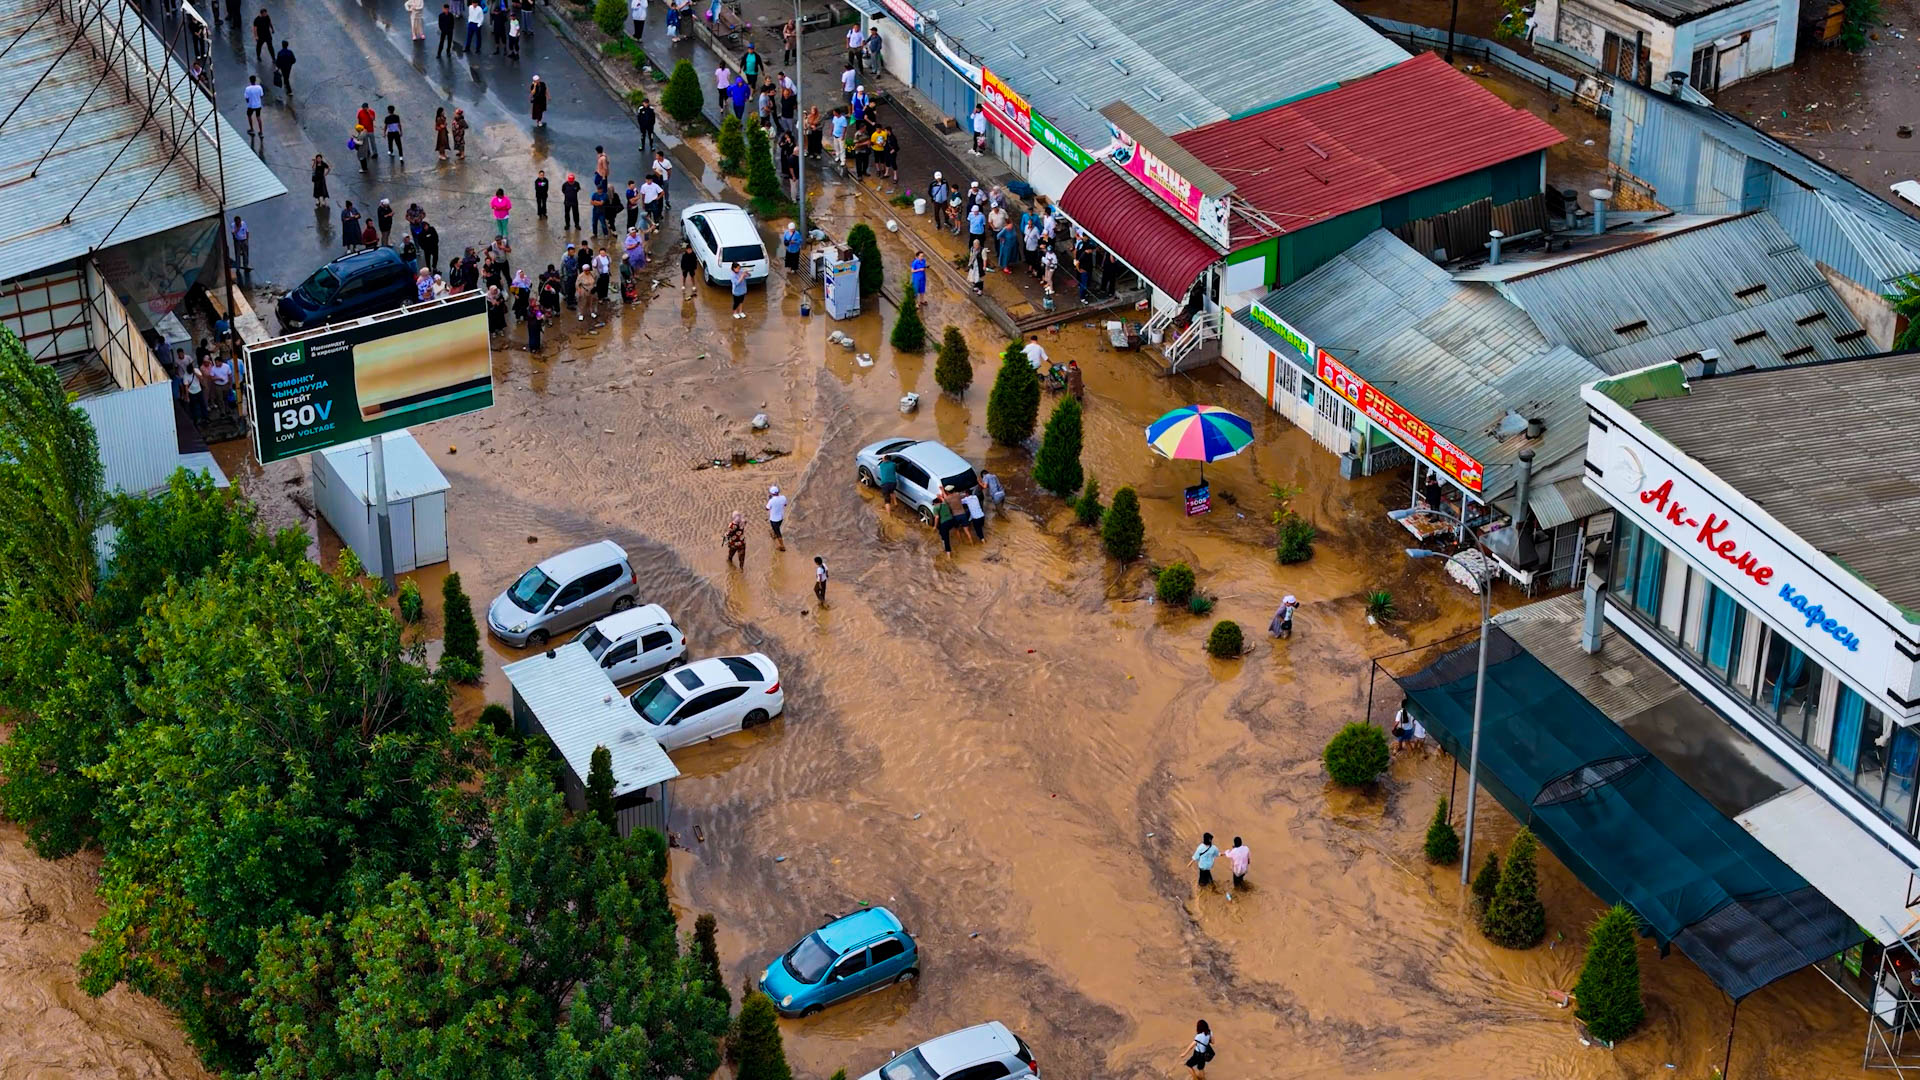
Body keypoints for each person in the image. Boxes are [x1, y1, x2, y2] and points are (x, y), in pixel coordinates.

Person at [765, 485, 788, 550]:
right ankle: (774, 534)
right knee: (777, 528)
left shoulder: (771, 501)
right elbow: (785, 504)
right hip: (781, 517)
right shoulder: (783, 497)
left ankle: (782, 546)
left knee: (778, 532)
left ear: (771, 493)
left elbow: (767, 508)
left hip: (774, 519)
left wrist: (770, 499)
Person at [230, 217, 250, 281]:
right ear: (235, 222)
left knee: (245, 254)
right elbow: (233, 233)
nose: (239, 223)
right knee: (237, 254)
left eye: (239, 222)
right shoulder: (233, 225)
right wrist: (238, 228)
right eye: (237, 222)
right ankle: (238, 268)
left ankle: (246, 265)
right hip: (237, 241)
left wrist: (247, 240)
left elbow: (247, 231)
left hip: (244, 240)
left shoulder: (243, 223)